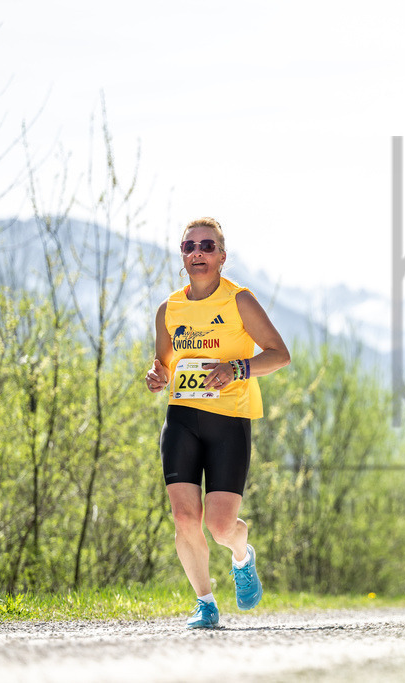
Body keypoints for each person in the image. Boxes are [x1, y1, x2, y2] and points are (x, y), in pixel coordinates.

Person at [146, 217, 291, 629]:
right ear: (182, 256)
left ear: (222, 257)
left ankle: (242, 558)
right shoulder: (168, 310)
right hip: (181, 419)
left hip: (229, 421)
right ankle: (205, 602)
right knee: (184, 517)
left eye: (207, 246)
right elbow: (164, 365)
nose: (198, 253)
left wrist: (236, 368)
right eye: (189, 246)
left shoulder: (239, 301)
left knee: (221, 526)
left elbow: (279, 355)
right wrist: (156, 376)